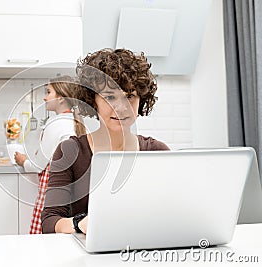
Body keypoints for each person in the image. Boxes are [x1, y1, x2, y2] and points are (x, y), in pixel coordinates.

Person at [41, 48, 170, 234]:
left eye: (130, 97)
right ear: (93, 101)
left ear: (141, 100)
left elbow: (172, 209)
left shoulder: (157, 152)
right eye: (109, 97)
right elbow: (50, 221)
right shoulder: (70, 151)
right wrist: (79, 223)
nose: (121, 108)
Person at [14, 75, 86, 234]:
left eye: (48, 92)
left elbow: (38, 164)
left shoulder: (56, 124)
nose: (45, 97)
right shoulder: (74, 122)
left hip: (53, 193)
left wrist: (23, 161)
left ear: (60, 98)